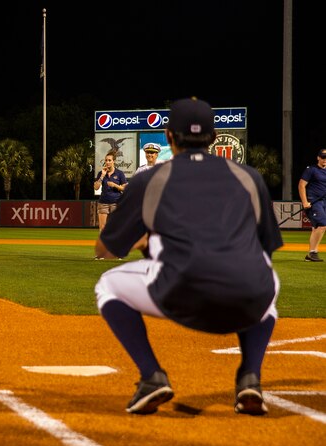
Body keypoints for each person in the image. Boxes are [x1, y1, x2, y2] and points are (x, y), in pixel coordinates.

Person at [94, 97, 282, 416]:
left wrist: (147, 243)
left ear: (169, 137)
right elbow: (266, 247)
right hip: (247, 297)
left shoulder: (149, 179)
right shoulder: (250, 177)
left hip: (181, 294)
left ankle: (152, 377)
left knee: (107, 284)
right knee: (265, 275)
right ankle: (250, 376)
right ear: (212, 138)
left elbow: (106, 250)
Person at [297, 148, 326, 262]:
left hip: (324, 202)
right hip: (313, 201)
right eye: (322, 157)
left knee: (316, 228)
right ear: (318, 158)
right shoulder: (311, 169)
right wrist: (304, 201)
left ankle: (312, 254)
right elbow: (301, 185)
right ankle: (312, 252)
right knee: (323, 225)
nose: (324, 160)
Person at [93, 151, 128, 233]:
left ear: (114, 161)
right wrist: (102, 175)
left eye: (109, 160)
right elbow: (96, 187)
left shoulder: (119, 173)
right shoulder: (101, 173)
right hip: (103, 202)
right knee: (102, 228)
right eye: (106, 160)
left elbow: (124, 188)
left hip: (116, 203)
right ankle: (103, 245)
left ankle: (116, 245)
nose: (107, 162)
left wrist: (115, 185)